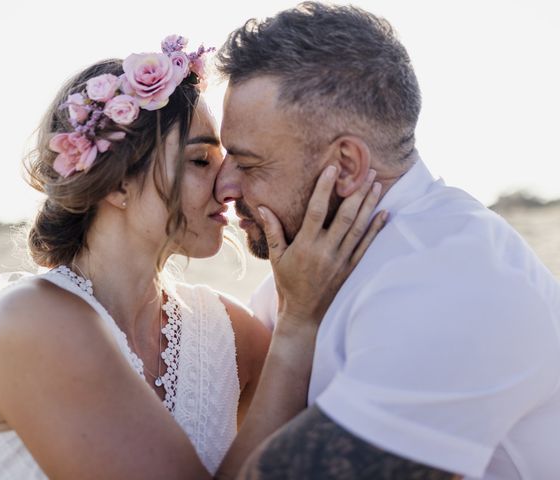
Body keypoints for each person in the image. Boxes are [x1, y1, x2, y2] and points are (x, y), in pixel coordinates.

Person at [0, 33, 386, 479]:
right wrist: (298, 324)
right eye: (201, 161)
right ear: (115, 183)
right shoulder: (30, 321)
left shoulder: (230, 334)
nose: (230, 187)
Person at [212, 2, 560, 479]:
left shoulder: (457, 282)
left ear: (347, 166)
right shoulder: (299, 282)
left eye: (249, 164)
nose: (225, 186)